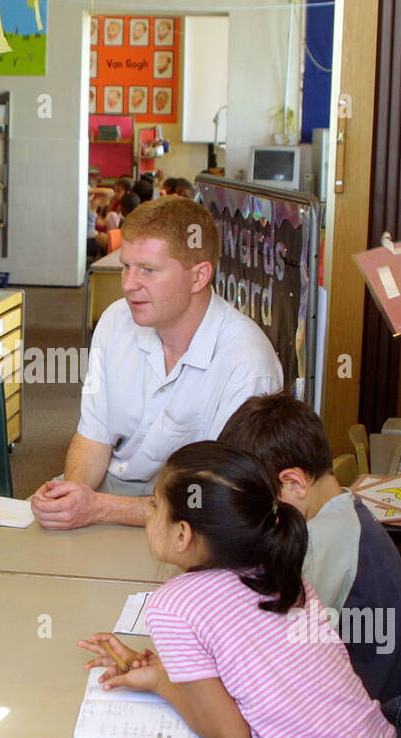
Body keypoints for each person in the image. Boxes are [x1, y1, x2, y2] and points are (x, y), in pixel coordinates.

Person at [77, 441, 401, 738]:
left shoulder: (173, 605)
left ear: (183, 534)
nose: (149, 514)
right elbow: (263, 670)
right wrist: (166, 672)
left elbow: (231, 733)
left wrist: (161, 683)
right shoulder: (282, 573)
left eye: (155, 505)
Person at [31, 195, 283, 529]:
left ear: (199, 277)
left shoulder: (247, 364)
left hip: (195, 512)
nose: (128, 284)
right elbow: (93, 436)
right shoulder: (114, 321)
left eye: (148, 270)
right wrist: (73, 493)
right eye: (126, 266)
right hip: (109, 491)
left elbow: (224, 498)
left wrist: (99, 508)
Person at [218, 392, 401, 703]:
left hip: (358, 716)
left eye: (257, 503)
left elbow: (270, 647)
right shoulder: (343, 512)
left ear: (295, 483)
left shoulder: (320, 542)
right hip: (370, 690)